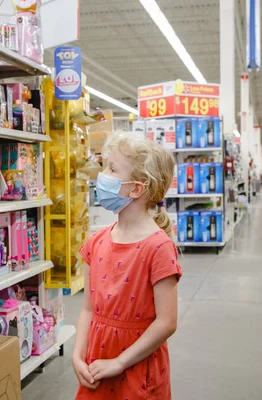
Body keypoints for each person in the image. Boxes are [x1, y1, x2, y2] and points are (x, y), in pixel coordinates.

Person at [73, 133, 182, 399]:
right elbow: (88, 309)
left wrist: (119, 362)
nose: (103, 175)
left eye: (112, 168)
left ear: (136, 189)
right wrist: (77, 356)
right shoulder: (96, 242)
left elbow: (166, 322)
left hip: (137, 369)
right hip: (96, 364)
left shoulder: (158, 248)